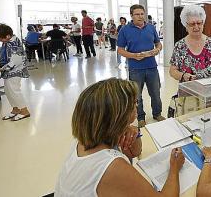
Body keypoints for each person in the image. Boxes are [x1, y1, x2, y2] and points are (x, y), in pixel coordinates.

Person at [55, 78, 184, 196]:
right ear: (119, 116)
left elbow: (135, 152)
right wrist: (174, 168)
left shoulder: (85, 140)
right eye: (134, 103)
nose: (137, 106)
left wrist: (133, 130)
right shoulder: (112, 166)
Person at [117, 4, 165, 128]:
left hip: (152, 67)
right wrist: (134, 56)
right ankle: (141, 117)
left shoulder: (151, 28)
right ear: (131, 16)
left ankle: (157, 113)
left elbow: (158, 43)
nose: (140, 16)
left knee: (155, 92)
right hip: (135, 68)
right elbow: (120, 50)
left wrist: (157, 50)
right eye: (137, 14)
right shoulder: (125, 30)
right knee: (137, 96)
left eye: (142, 14)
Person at [169, 5, 211, 82]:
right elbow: (172, 71)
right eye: (192, 24)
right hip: (188, 91)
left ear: (203, 23)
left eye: (199, 23)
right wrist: (182, 76)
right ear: (186, 26)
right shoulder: (180, 46)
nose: (196, 27)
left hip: (208, 91)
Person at [0, 23, 30, 121]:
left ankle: (24, 111)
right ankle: (15, 109)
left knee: (14, 91)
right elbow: (7, 57)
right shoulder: (7, 41)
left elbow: (14, 61)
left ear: (7, 36)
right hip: (9, 71)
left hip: (16, 71)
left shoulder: (14, 44)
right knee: (8, 91)